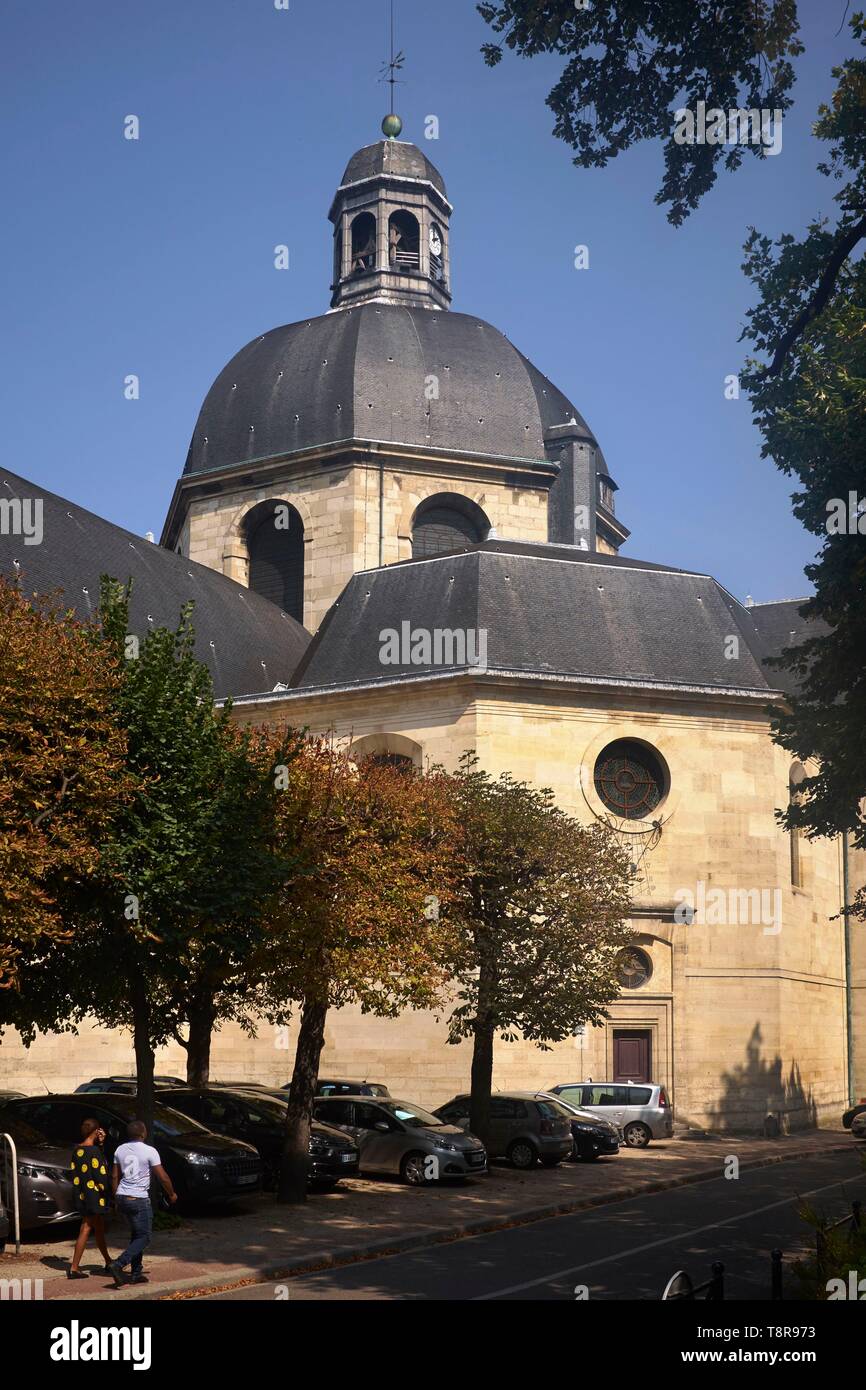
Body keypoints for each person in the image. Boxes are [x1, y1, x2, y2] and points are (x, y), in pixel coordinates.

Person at [108, 1119, 176, 1287]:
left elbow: (114, 1176)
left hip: (123, 1196)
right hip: (138, 1199)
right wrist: (172, 1194)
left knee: (136, 1235)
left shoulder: (120, 1149)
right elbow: (163, 1177)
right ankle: (118, 1264)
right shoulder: (150, 1151)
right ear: (142, 1133)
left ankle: (136, 1272)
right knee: (144, 1238)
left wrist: (116, 1197)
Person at [68, 1118, 112, 1279]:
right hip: (94, 1197)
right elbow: (100, 1173)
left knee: (99, 1228)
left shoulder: (77, 1150)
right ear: (96, 1131)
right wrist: (108, 1191)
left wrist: (100, 1144)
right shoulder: (93, 1151)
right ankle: (73, 1268)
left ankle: (108, 1261)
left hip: (82, 1195)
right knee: (86, 1228)